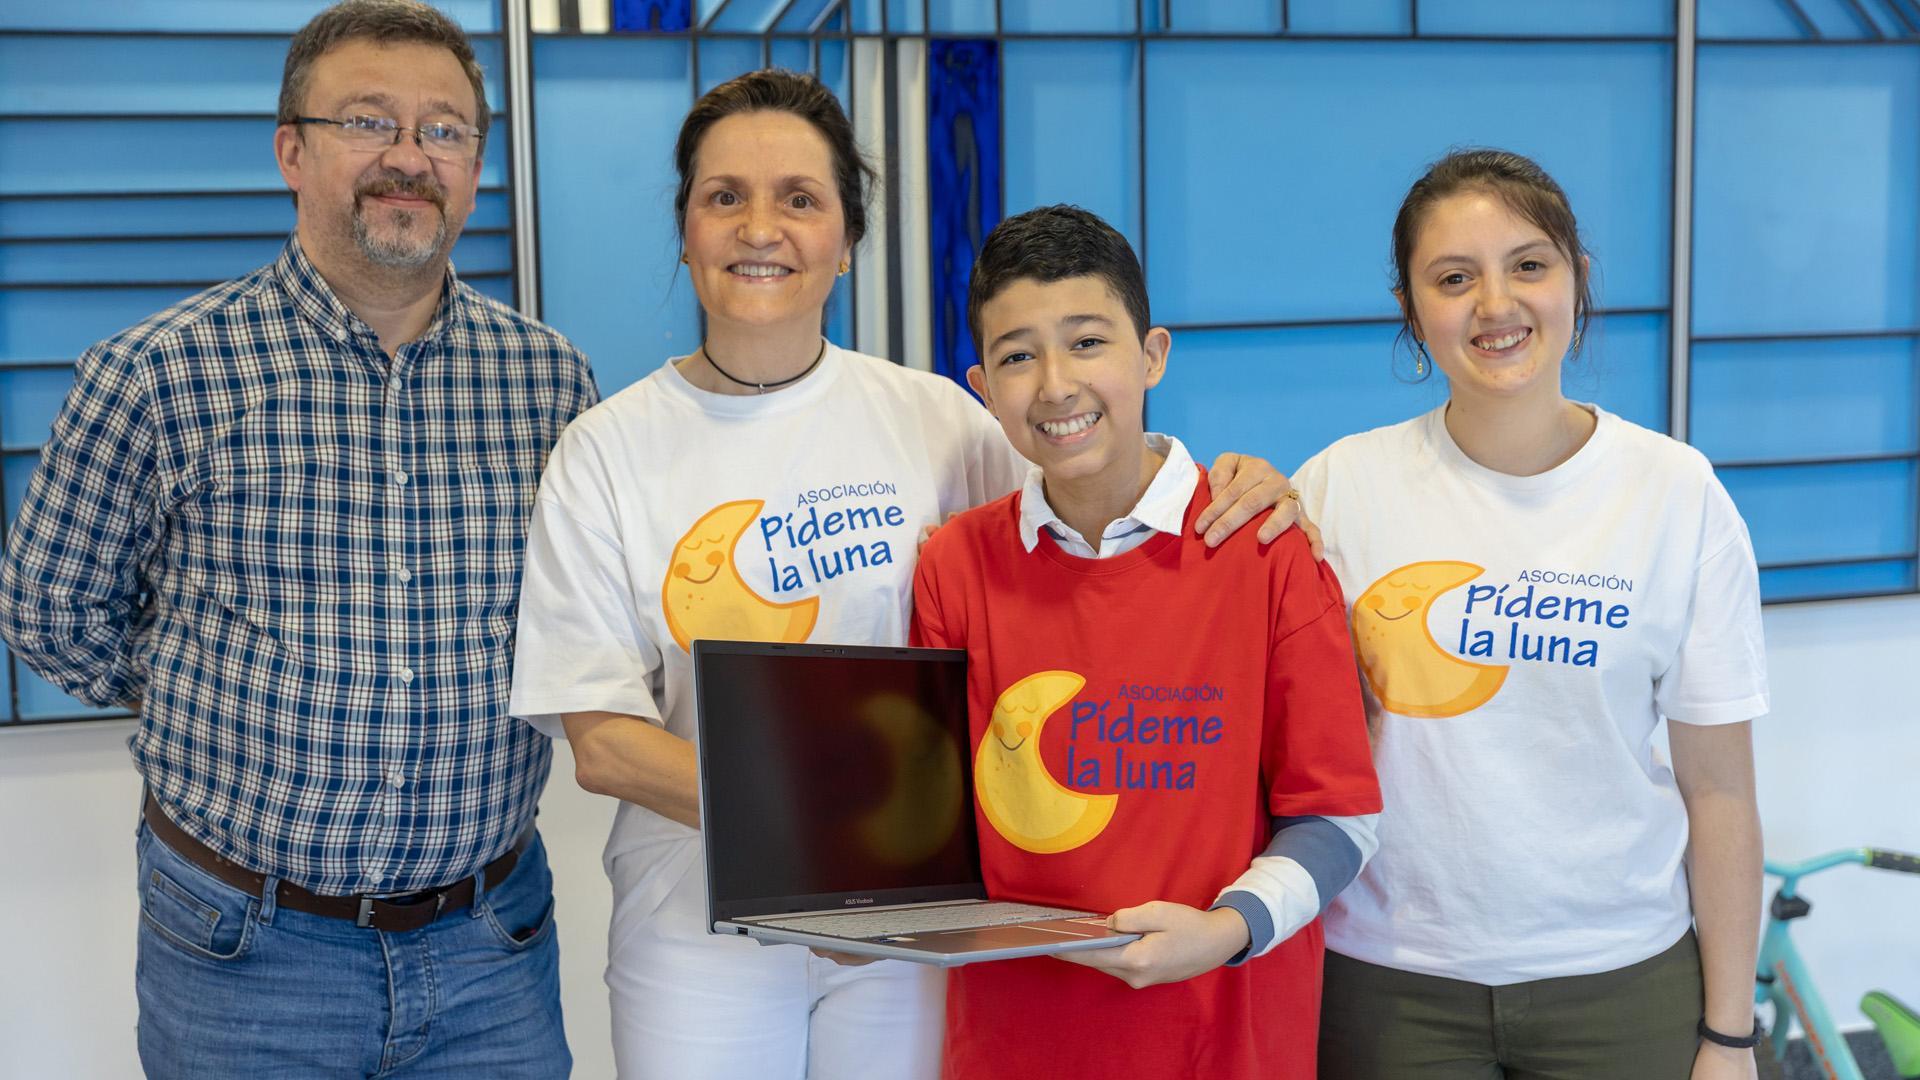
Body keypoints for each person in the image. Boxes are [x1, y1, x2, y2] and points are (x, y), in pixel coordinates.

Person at [506, 71, 1311, 1080]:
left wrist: (1226, 479)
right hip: (696, 922)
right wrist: (825, 824)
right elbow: (606, 743)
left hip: (917, 921)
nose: (762, 227)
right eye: (725, 198)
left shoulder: (940, 421)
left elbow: (1089, 524)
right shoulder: (606, 449)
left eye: (800, 199)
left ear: (845, 239)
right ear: (685, 231)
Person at [0, 3, 595, 1076]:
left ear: (474, 165)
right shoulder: (155, 374)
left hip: (490, 945)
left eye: (445, 130)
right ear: (293, 151)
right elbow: (48, 614)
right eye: (369, 122)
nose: (410, 158)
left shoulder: (548, 381)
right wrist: (203, 683)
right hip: (245, 953)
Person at [1299, 149, 1767, 1080]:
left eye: (1528, 265)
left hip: (1621, 982)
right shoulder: (1340, 486)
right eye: (1453, 278)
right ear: (1412, 306)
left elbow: (1719, 790)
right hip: (1391, 981)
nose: (1496, 305)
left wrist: (1729, 1033)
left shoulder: (1675, 492)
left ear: (1576, 279)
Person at [908, 205, 1383, 1080]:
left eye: (1088, 342)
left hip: (1227, 1033)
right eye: (1018, 356)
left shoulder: (1266, 547)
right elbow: (932, 829)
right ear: (983, 386)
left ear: (1152, 354)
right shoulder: (955, 566)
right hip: (1018, 1038)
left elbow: (1339, 817)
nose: (1054, 384)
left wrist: (1227, 931)